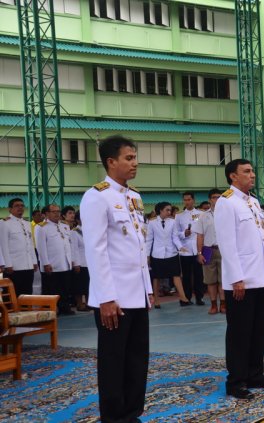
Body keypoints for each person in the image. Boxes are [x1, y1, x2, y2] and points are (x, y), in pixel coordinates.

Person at [80, 135, 154, 422]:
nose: (134, 163)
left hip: (136, 292)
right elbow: (96, 250)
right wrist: (107, 298)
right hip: (113, 297)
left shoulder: (134, 197)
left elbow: (137, 247)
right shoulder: (96, 197)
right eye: (128, 158)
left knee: (137, 359)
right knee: (113, 362)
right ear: (111, 162)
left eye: (135, 157)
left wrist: (148, 289)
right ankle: (113, 417)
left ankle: (132, 413)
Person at [214, 158, 264, 400]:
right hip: (240, 280)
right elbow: (227, 244)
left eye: (252, 171)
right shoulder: (226, 202)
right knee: (239, 333)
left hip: (259, 277)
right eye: (247, 171)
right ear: (233, 176)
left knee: (257, 331)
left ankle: (255, 375)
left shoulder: (252, 202)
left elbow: (261, 243)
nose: (252, 175)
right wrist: (236, 279)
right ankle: (236, 381)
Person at [146, 202, 191, 308]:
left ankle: (183, 298)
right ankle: (156, 300)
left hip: (172, 253)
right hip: (157, 254)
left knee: (176, 275)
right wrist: (147, 256)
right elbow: (149, 240)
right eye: (167, 210)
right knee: (156, 278)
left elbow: (175, 237)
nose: (169, 212)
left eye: (170, 210)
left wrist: (180, 247)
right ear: (160, 210)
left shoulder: (172, 222)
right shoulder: (151, 223)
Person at [36, 203, 75, 315]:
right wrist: (45, 263)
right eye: (54, 211)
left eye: (58, 211)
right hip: (52, 263)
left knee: (65, 287)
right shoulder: (41, 227)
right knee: (52, 288)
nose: (57, 213)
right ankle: (53, 308)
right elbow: (41, 247)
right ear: (47, 214)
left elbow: (68, 245)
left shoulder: (65, 226)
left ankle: (64, 306)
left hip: (65, 262)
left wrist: (71, 259)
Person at [195, 188, 225, 315]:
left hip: (223, 250)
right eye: (214, 197)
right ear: (209, 199)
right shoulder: (202, 216)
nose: (216, 200)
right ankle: (213, 305)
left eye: (219, 197)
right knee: (210, 280)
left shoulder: (226, 213)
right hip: (208, 250)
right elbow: (200, 236)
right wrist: (199, 253)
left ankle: (223, 304)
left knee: (223, 280)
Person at [0, 198, 38, 296]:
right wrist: (7, 264)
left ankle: (26, 311)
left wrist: (34, 261)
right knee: (12, 294)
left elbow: (30, 243)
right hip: (14, 266)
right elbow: (3, 245)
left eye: (22, 205)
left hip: (28, 264)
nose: (20, 208)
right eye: (17, 206)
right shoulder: (4, 223)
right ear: (10, 209)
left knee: (27, 293)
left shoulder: (27, 223)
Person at [175, 192, 205, 306]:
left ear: (194, 200)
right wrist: (184, 233)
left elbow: (203, 231)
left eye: (189, 199)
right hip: (185, 249)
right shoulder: (179, 215)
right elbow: (176, 233)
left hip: (198, 248)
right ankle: (186, 298)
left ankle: (199, 297)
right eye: (185, 200)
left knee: (199, 275)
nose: (187, 202)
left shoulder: (201, 214)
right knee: (186, 276)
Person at [70, 211, 90, 312]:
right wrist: (76, 263)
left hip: (89, 262)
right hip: (80, 262)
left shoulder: (90, 230)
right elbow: (74, 249)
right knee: (79, 285)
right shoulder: (75, 231)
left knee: (88, 284)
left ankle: (88, 302)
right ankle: (79, 304)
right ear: (78, 220)